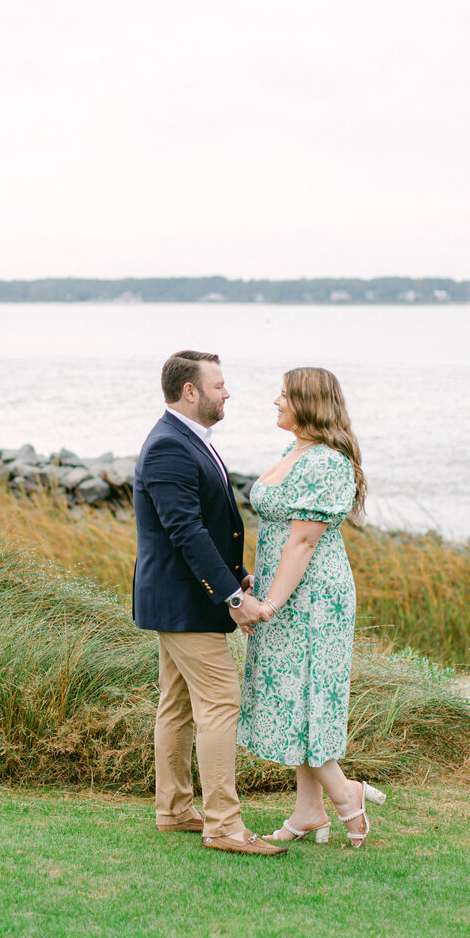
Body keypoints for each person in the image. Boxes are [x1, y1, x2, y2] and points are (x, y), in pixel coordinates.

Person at [133, 350, 285, 857]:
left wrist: (237, 572)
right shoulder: (169, 447)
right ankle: (223, 825)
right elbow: (186, 532)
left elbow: (208, 527)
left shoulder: (188, 440)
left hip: (181, 598)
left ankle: (174, 808)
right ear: (190, 391)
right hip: (184, 601)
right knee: (220, 702)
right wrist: (234, 597)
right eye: (219, 385)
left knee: (175, 705)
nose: (227, 393)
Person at [236, 367, 386, 848]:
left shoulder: (326, 462)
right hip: (286, 589)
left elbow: (302, 540)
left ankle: (347, 798)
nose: (275, 402)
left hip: (315, 598)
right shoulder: (295, 451)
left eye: (283, 395)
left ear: (308, 402)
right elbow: (284, 535)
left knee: (309, 697)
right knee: (293, 695)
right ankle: (308, 809)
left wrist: (268, 604)